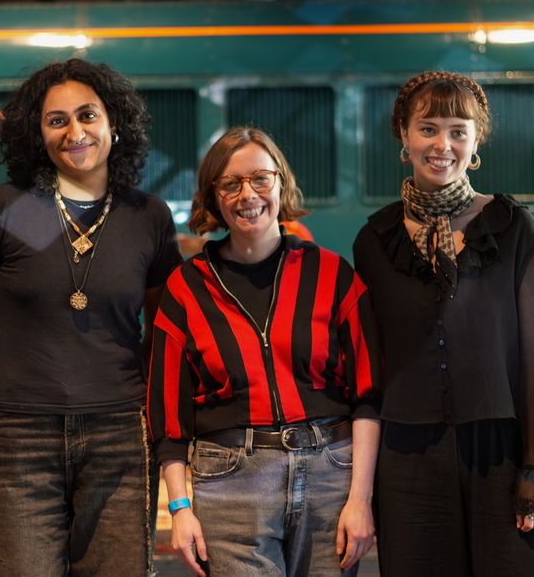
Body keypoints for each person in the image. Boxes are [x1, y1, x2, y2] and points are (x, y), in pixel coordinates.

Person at [352, 71, 534, 576]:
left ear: (476, 141)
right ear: (403, 135)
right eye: (428, 128)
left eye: (458, 130)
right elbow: (370, 367)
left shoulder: (515, 230)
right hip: (408, 461)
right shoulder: (375, 241)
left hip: (506, 456)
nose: (443, 144)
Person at [0, 58, 182, 576]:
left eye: (88, 115)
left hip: (120, 432)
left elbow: (162, 331)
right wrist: (4, 391)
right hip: (18, 436)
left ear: (114, 125)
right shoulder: (16, 209)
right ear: (39, 134)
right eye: (57, 120)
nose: (75, 132)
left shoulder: (147, 218)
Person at [147, 126, 381, 576]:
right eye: (229, 184)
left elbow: (368, 397)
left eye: (260, 178)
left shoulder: (332, 275)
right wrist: (179, 508)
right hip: (231, 485)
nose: (246, 195)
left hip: (331, 476)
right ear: (213, 197)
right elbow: (168, 418)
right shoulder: (186, 288)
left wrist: (361, 499)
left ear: (280, 182)